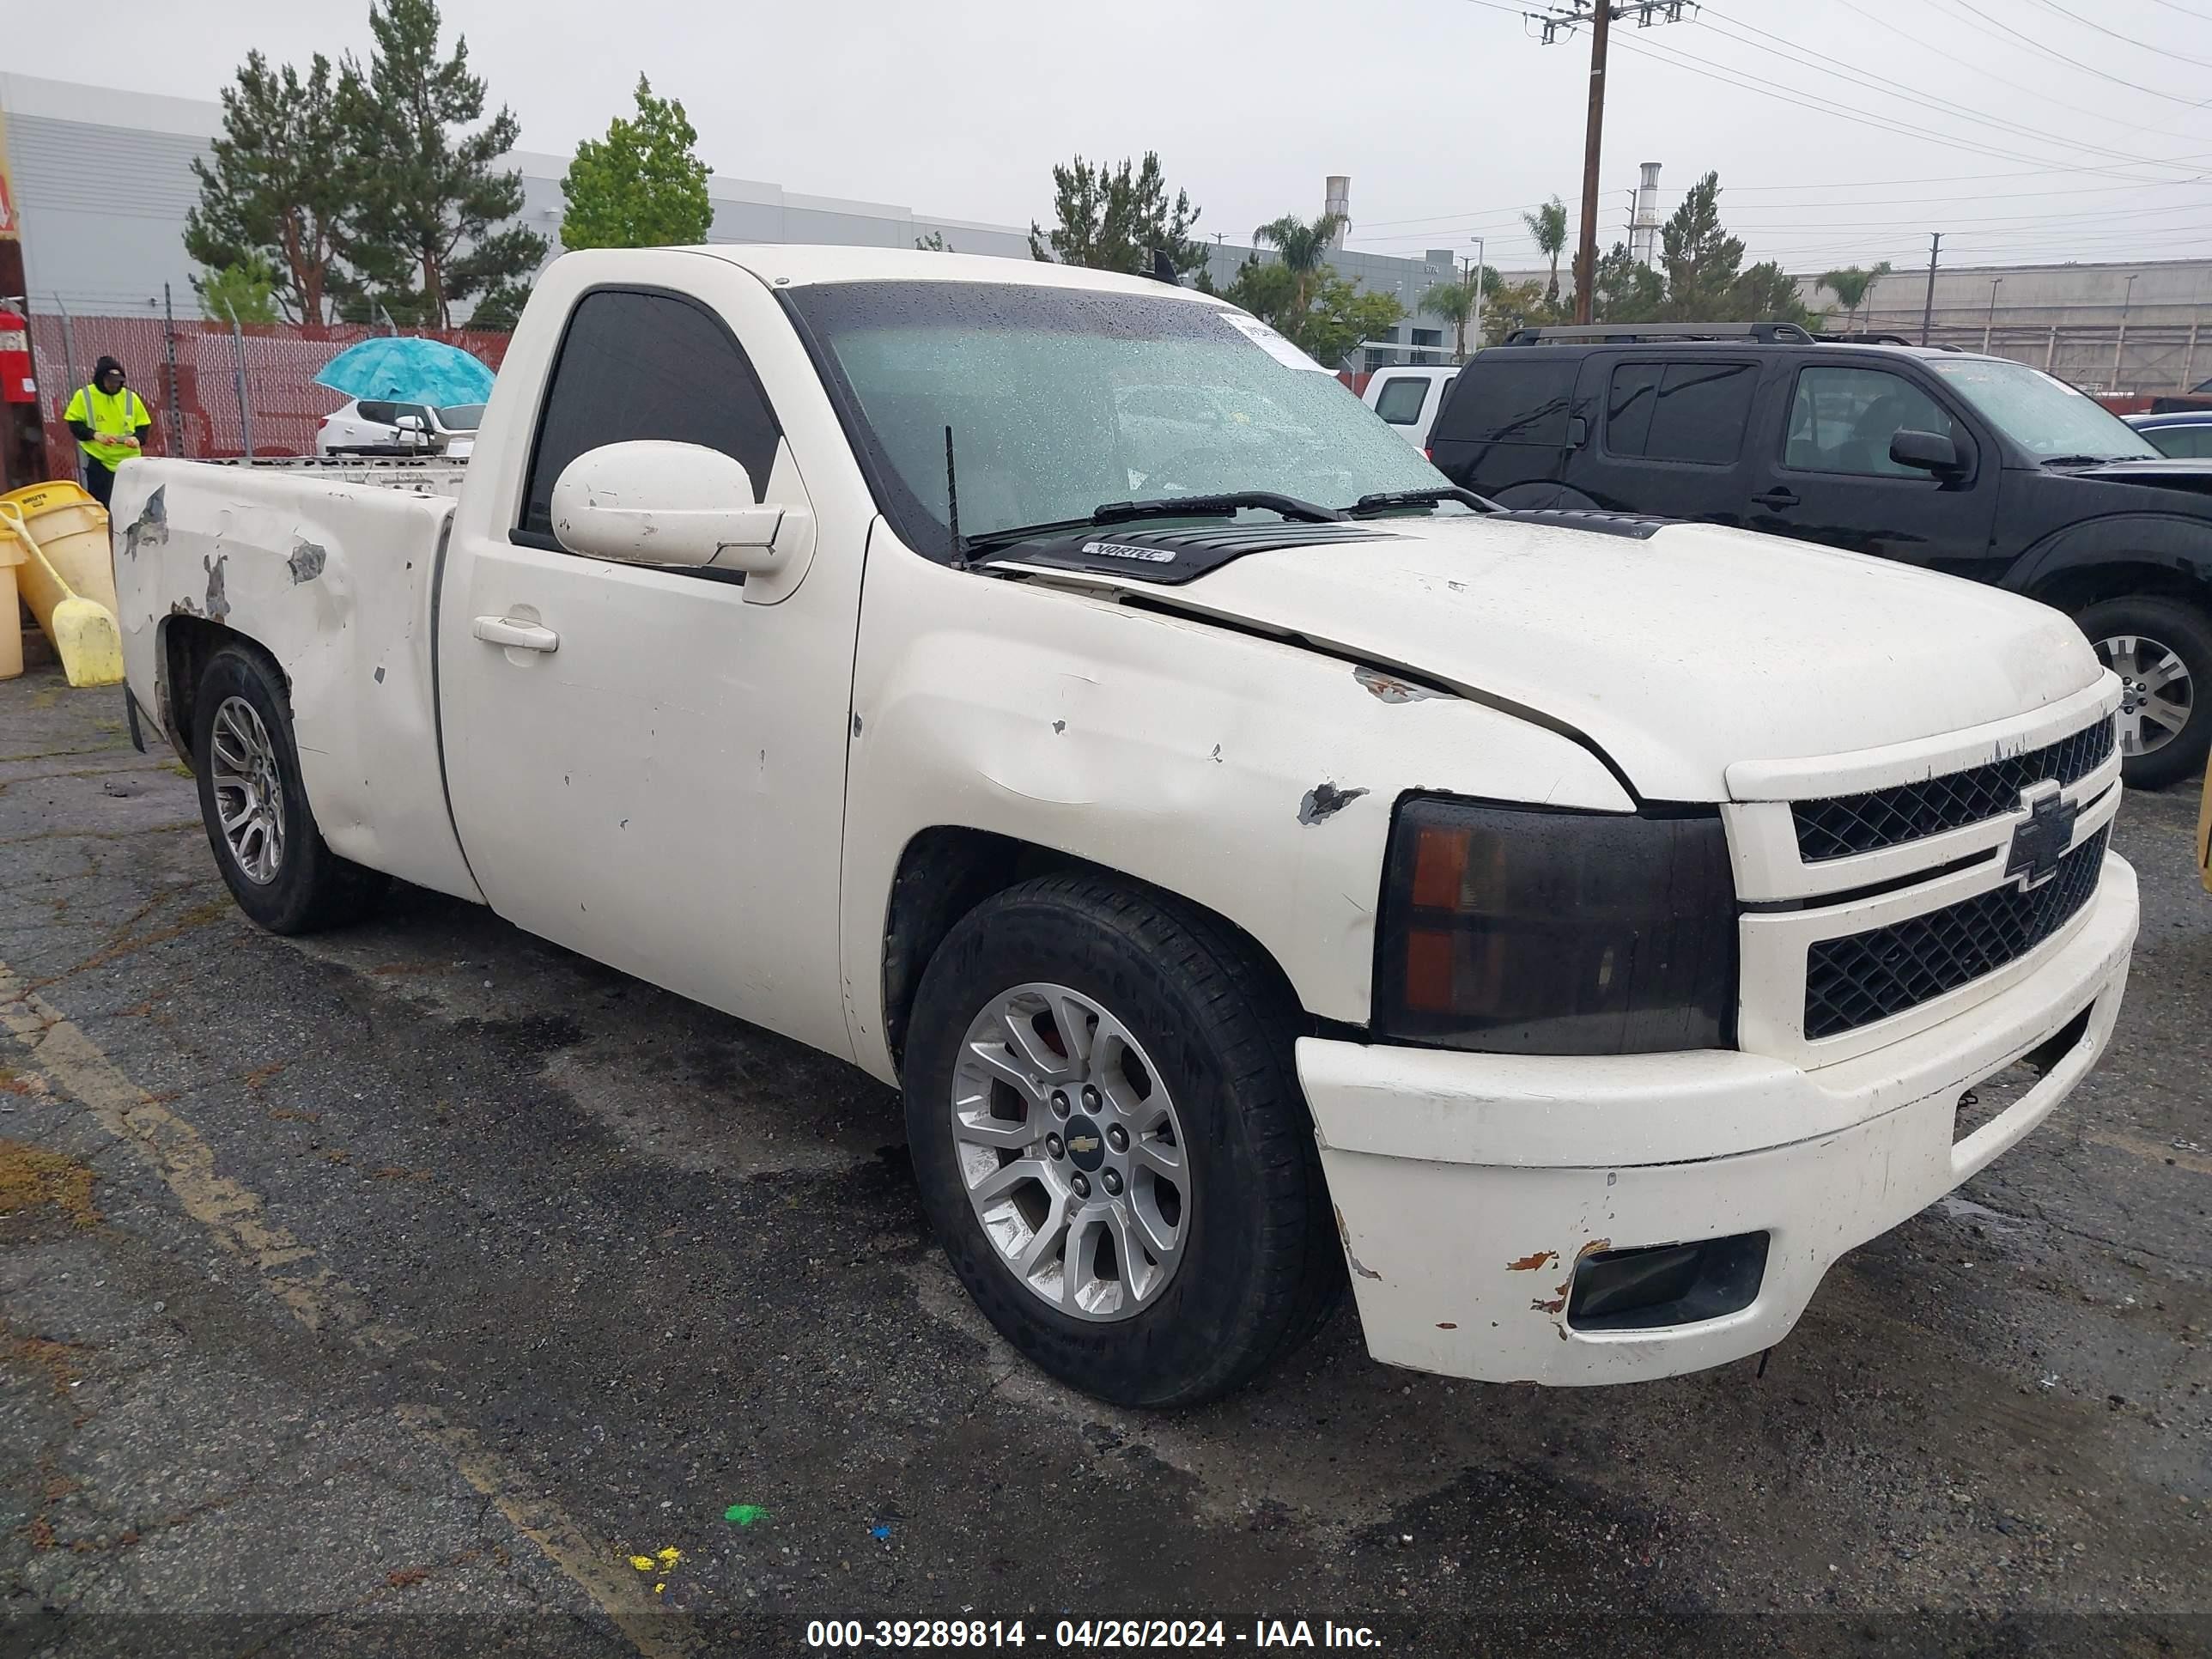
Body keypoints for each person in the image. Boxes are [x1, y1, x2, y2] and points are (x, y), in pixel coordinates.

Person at [63, 357, 153, 510]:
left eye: (118, 381)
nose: (114, 385)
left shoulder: (130, 397)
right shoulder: (84, 396)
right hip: (101, 461)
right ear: (100, 379)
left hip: (130, 462)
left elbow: (143, 425)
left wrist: (138, 439)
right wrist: (95, 435)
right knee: (104, 506)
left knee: (132, 507)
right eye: (111, 381)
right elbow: (75, 424)